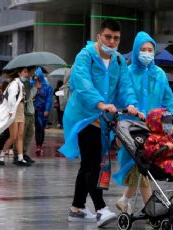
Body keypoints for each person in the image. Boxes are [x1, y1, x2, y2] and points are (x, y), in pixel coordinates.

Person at [59, 19, 139, 227]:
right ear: (99, 37)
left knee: (89, 163)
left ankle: (76, 208)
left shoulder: (120, 61)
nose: (112, 42)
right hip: (83, 117)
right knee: (92, 163)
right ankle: (101, 208)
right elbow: (83, 84)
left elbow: (125, 87)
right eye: (108, 37)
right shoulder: (85, 56)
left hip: (104, 120)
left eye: (116, 39)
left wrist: (131, 104)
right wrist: (100, 103)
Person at [113, 31, 173, 214]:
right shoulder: (127, 73)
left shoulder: (159, 74)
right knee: (141, 166)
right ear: (135, 50)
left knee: (142, 166)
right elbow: (122, 97)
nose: (147, 53)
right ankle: (151, 211)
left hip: (154, 130)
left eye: (150, 49)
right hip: (131, 129)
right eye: (143, 49)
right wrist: (116, 130)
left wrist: (170, 123)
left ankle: (128, 201)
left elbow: (168, 101)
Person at [0, 67, 30, 167]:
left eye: (27, 72)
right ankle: (1, 154)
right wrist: (11, 111)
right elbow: (11, 99)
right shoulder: (14, 84)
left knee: (20, 136)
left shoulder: (21, 84)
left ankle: (20, 158)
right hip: (14, 111)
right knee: (13, 136)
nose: (26, 74)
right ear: (19, 73)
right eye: (25, 72)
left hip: (20, 110)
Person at [32, 67, 53, 154]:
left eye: (36, 75)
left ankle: (40, 145)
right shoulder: (31, 84)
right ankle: (38, 145)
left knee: (42, 128)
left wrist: (47, 109)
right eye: (34, 75)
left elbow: (49, 99)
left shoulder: (47, 86)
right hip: (34, 110)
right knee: (38, 128)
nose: (35, 77)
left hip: (43, 110)